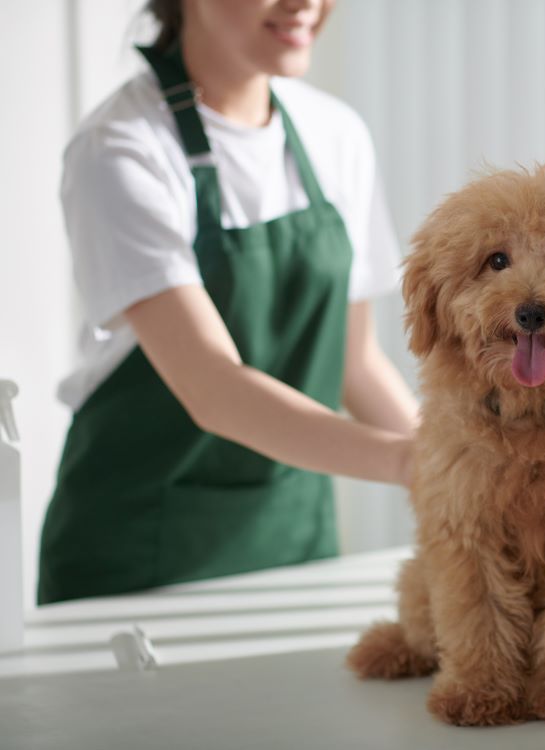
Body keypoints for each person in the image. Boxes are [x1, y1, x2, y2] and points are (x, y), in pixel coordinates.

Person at [38, 0, 418, 604]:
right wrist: (417, 467)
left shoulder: (334, 134)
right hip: (144, 562)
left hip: (296, 549)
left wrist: (466, 457)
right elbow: (214, 389)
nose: (306, 5)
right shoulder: (121, 148)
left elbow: (356, 362)